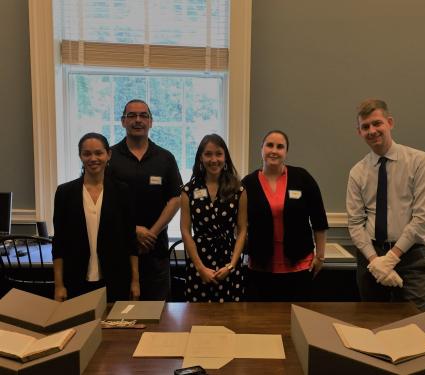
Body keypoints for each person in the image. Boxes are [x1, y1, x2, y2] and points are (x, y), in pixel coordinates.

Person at [346, 99, 425, 311]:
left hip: (410, 257)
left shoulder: (419, 161)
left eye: (377, 123)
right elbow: (355, 223)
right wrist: (376, 262)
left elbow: (423, 217)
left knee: (413, 324)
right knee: (373, 324)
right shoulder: (357, 172)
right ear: (359, 132)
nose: (372, 130)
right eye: (365, 126)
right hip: (371, 257)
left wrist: (391, 259)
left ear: (390, 122)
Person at [107, 99, 182, 301]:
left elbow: (176, 199)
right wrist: (133, 230)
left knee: (158, 313)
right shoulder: (109, 158)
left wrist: (151, 233)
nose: (138, 120)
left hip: (155, 250)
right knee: (118, 317)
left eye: (143, 116)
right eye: (132, 115)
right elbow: (103, 202)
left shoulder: (165, 158)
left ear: (151, 122)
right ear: (122, 121)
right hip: (119, 251)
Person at [242, 130, 328, 301]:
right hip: (260, 268)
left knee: (297, 319)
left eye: (280, 146)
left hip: (299, 266)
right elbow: (240, 226)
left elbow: (319, 220)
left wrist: (320, 256)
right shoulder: (248, 183)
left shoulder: (302, 178)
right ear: (262, 149)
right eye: (270, 145)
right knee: (264, 322)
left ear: (286, 152)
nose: (274, 150)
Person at [52, 132, 139, 302]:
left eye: (99, 153)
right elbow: (59, 242)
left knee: (115, 328)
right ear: (80, 156)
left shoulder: (123, 191)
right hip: (75, 281)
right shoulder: (65, 193)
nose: (93, 158)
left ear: (108, 155)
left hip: (116, 280)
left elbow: (131, 241)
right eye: (87, 153)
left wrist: (135, 281)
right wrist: (58, 285)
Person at [180, 134, 247, 302]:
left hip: (229, 260)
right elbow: (185, 230)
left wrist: (231, 265)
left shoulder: (238, 190)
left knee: (231, 318)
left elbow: (242, 229)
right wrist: (200, 268)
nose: (214, 159)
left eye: (218, 154)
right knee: (198, 319)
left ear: (225, 157)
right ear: (200, 158)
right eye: (208, 154)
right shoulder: (188, 190)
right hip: (199, 260)